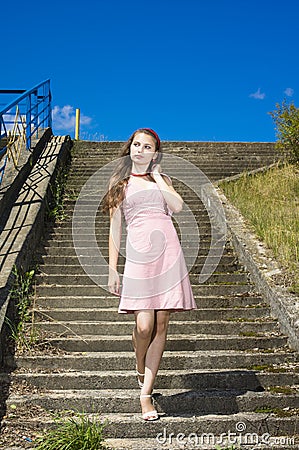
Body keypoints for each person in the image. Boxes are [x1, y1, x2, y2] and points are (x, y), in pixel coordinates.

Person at [102, 128, 196, 421]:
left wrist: (157, 177)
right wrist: (112, 270)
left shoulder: (163, 180)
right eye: (136, 144)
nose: (140, 150)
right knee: (144, 326)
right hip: (140, 258)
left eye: (147, 146)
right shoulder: (120, 183)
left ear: (155, 153)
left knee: (162, 323)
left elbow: (178, 207)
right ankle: (139, 361)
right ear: (130, 148)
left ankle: (146, 395)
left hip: (168, 255)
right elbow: (115, 229)